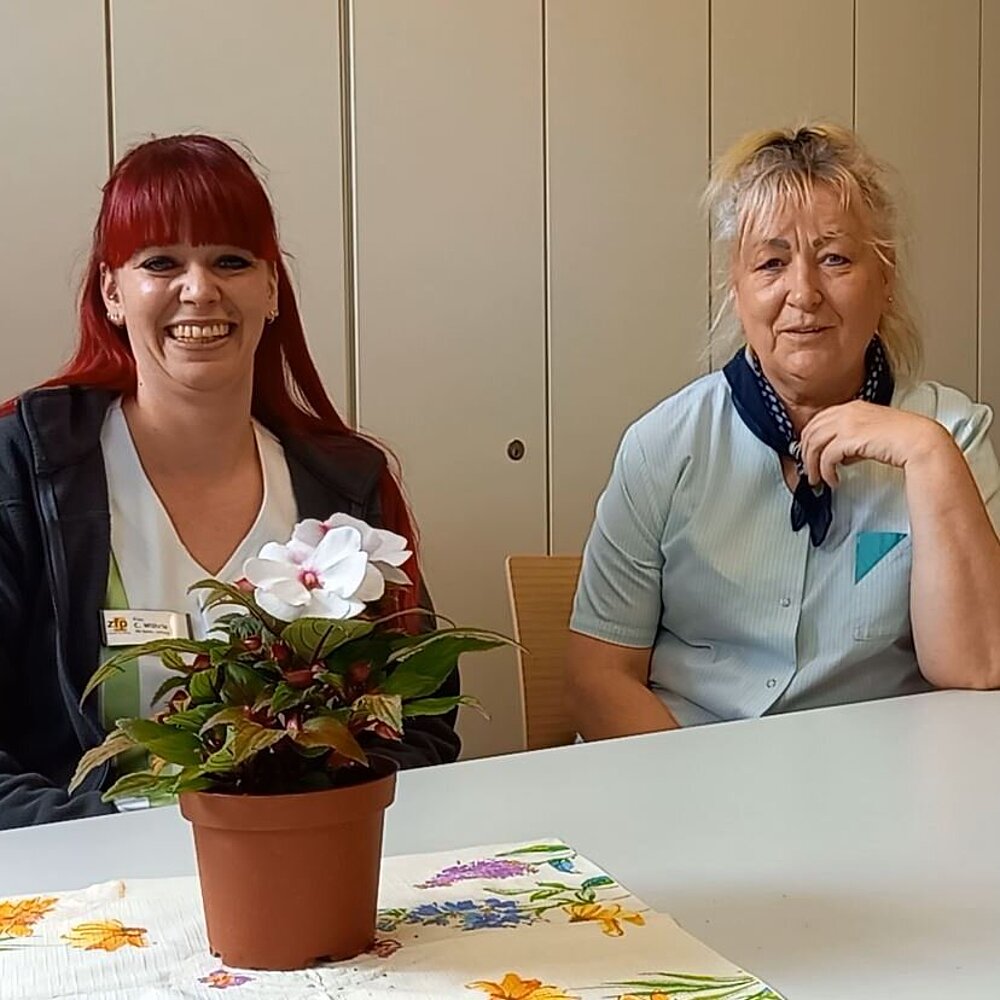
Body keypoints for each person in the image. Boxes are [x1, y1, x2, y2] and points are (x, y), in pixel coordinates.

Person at [0, 134, 459, 829]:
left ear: (271, 289)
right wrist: (115, 843)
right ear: (112, 292)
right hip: (87, 876)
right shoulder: (24, 467)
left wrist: (297, 833)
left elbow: (420, 723)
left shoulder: (344, 484)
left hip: (302, 861)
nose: (199, 290)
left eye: (231, 261)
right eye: (161, 262)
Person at [568, 123, 1000, 739]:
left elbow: (977, 668)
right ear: (737, 288)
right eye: (772, 263)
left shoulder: (951, 433)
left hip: (876, 776)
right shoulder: (664, 444)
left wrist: (928, 454)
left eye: (835, 258)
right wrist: (700, 789)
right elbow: (597, 679)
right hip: (687, 764)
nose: (804, 293)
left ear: (885, 279)